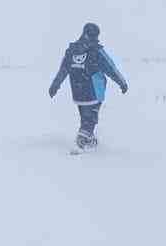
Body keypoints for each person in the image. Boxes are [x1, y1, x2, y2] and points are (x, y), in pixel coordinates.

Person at [48, 22, 128, 150]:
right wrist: (122, 83)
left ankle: (88, 139)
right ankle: (82, 141)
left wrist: (55, 86)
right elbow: (111, 68)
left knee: (85, 118)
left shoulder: (72, 51)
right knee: (90, 119)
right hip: (94, 92)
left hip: (78, 92)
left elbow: (62, 70)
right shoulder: (96, 51)